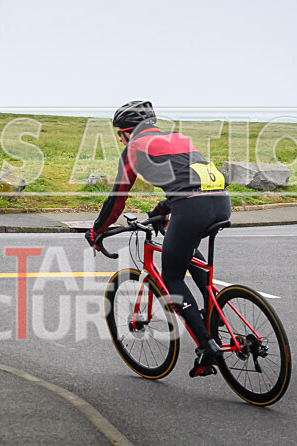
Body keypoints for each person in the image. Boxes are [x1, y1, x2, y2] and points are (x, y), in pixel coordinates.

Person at [85, 101, 232, 377]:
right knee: (187, 253)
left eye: (119, 134)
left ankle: (206, 345)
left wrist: (97, 230)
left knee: (172, 278)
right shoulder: (176, 138)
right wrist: (163, 209)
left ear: (128, 132)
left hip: (191, 206)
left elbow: (117, 200)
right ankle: (212, 313)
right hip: (221, 202)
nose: (119, 140)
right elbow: (188, 176)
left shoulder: (134, 149)